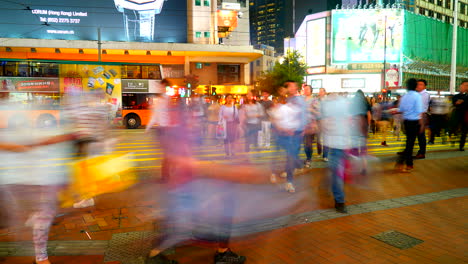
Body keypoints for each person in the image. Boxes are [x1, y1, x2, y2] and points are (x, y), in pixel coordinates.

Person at [274, 81, 307, 193]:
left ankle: (290, 179)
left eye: (292, 86)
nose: (291, 88)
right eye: (289, 87)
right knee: (290, 156)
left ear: (296, 88)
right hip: (286, 134)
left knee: (292, 156)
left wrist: (303, 128)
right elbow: (280, 116)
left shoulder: (299, 100)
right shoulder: (287, 100)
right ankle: (290, 178)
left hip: (296, 133)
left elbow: (303, 115)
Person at [395, 78, 424, 173]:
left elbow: (401, 109)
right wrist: (421, 123)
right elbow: (420, 111)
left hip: (406, 121)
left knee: (409, 142)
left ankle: (407, 163)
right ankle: (406, 163)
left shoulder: (404, 97)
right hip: (414, 122)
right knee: (410, 144)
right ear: (415, 86)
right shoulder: (417, 96)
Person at [302, 85, 320, 168]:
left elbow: (318, 112)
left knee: (308, 143)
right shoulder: (302, 99)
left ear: (311, 91)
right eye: (304, 89)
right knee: (305, 143)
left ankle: (309, 159)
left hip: (311, 125)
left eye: (307, 89)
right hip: (302, 125)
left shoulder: (314, 100)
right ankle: (307, 158)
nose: (305, 90)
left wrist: (311, 109)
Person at [450, 80, 468, 151]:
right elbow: (455, 102)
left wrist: (462, 102)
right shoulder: (456, 96)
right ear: (461, 86)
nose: (467, 87)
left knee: (464, 131)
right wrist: (460, 102)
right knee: (454, 127)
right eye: (465, 85)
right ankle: (452, 136)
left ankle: (461, 146)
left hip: (466, 116)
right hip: (457, 115)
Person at [415, 79, 430, 159]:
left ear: (424, 86)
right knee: (414, 134)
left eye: (420, 84)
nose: (418, 86)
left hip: (421, 115)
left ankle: (422, 152)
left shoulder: (424, 94)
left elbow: (420, 106)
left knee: (421, 135)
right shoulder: (418, 94)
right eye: (417, 84)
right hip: (416, 115)